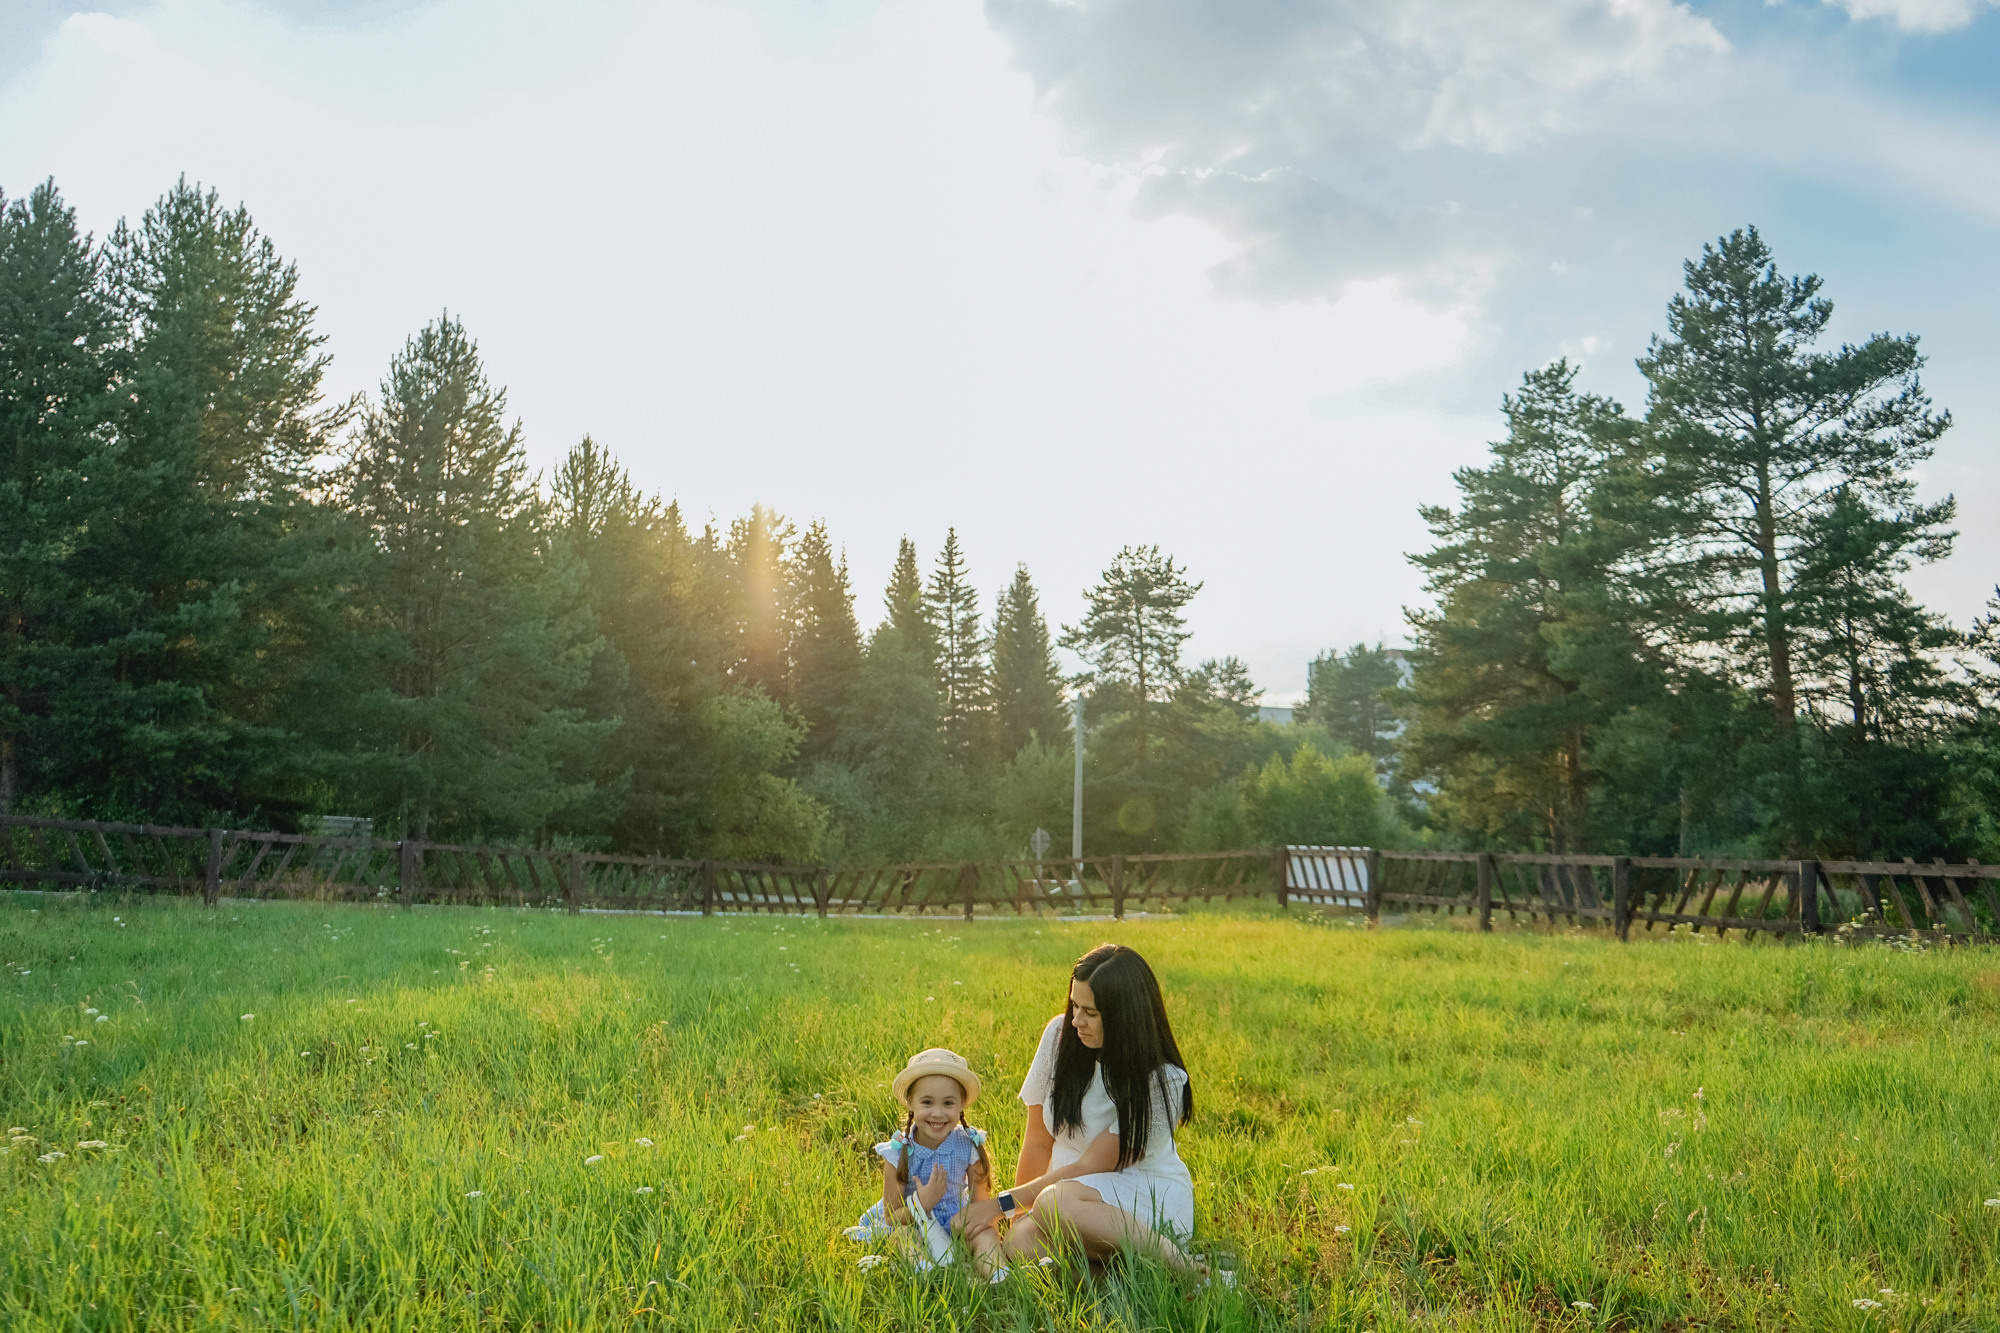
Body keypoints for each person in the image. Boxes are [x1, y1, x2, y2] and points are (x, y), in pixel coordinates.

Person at [957, 943, 1196, 1275]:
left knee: (1059, 1203)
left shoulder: (1163, 1081)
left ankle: (1182, 1266)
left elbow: (1090, 1165)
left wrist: (1000, 1205)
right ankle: (1125, 1276)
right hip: (1058, 1200)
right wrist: (1020, 1217)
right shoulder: (1060, 1036)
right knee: (1019, 1244)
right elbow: (1038, 1142)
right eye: (1074, 1006)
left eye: (1092, 1013)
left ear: (1126, 1016)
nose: (1077, 1021)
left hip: (1143, 1196)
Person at [846, 1047, 1003, 1273]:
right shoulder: (898, 1151)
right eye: (927, 1102)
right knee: (902, 1236)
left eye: (948, 1103)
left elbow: (980, 1207)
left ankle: (995, 1277)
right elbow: (892, 1217)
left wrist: (973, 1228)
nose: (938, 1113)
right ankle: (926, 1274)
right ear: (910, 1102)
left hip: (956, 1224)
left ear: (961, 1104)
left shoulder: (969, 1145)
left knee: (985, 1233)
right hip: (911, 1222)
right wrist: (922, 1203)